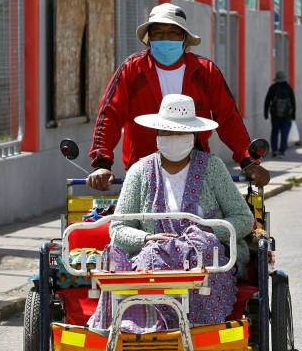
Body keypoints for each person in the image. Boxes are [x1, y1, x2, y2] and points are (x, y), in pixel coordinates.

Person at [87, 94, 255, 333]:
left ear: (193, 136)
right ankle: (144, 327)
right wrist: (146, 239)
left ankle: (201, 327)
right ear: (157, 136)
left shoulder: (212, 167)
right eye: (167, 133)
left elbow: (243, 218)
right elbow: (118, 228)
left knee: (204, 257)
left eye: (181, 133)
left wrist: (206, 232)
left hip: (205, 257)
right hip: (154, 257)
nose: (174, 139)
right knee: (143, 262)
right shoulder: (140, 172)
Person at [87, 2, 270, 191]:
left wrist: (247, 160)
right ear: (149, 38)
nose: (165, 38)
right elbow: (110, 114)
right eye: (158, 32)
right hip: (144, 173)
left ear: (184, 37)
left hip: (196, 171)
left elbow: (228, 118)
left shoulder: (205, 72)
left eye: (173, 32)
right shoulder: (132, 70)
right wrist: (102, 164)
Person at [263, 71, 296, 157]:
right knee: (284, 133)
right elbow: (293, 102)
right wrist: (293, 115)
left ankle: (274, 151)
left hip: (275, 115)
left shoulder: (273, 87)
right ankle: (282, 151)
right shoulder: (288, 88)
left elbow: (267, 101)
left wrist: (265, 113)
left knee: (275, 132)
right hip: (286, 116)